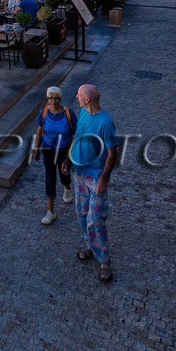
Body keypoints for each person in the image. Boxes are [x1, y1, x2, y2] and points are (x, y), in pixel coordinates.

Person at [70, 84, 118, 283]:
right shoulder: (82, 113)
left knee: (95, 219)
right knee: (82, 215)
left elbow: (112, 154)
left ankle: (104, 261)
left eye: (79, 95)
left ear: (87, 99)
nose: (76, 97)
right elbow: (77, 138)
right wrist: (67, 159)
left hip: (96, 178)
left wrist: (104, 179)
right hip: (79, 175)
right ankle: (90, 246)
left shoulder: (106, 122)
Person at [33, 86, 77, 225]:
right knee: (50, 178)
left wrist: (67, 158)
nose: (53, 100)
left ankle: (67, 188)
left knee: (64, 174)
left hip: (64, 150)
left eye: (55, 97)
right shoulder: (44, 112)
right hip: (48, 149)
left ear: (60, 98)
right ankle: (51, 212)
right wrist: (37, 149)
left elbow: (75, 136)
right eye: (50, 97)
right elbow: (40, 130)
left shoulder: (69, 114)